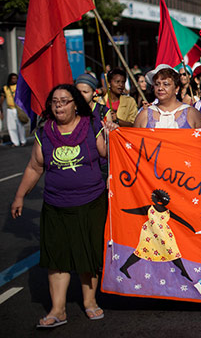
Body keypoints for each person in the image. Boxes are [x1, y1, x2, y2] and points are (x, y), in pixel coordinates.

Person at [11, 84, 115, 327]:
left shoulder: (91, 126)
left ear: (76, 104)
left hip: (91, 203)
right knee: (57, 257)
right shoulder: (44, 132)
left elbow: (106, 154)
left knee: (88, 255)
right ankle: (57, 310)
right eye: (54, 101)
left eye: (65, 100)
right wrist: (19, 196)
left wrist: (111, 136)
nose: (58, 105)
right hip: (55, 205)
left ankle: (90, 302)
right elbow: (35, 167)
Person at [119, 189, 195, 281]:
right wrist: (123, 209)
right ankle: (124, 267)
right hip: (149, 234)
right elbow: (136, 210)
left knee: (172, 251)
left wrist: (191, 228)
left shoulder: (168, 212)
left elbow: (180, 220)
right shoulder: (149, 208)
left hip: (164, 235)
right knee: (141, 251)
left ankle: (183, 271)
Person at [134, 65, 201, 129]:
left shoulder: (192, 114)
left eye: (166, 84)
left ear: (176, 88)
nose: (160, 88)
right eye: (157, 84)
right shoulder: (144, 115)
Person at [1, 73, 27, 146]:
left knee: (20, 126)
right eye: (13, 78)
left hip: (18, 109)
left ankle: (23, 141)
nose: (14, 80)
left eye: (15, 78)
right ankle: (15, 142)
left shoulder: (20, 87)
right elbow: (2, 98)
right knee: (11, 127)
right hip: (10, 109)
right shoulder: (5, 88)